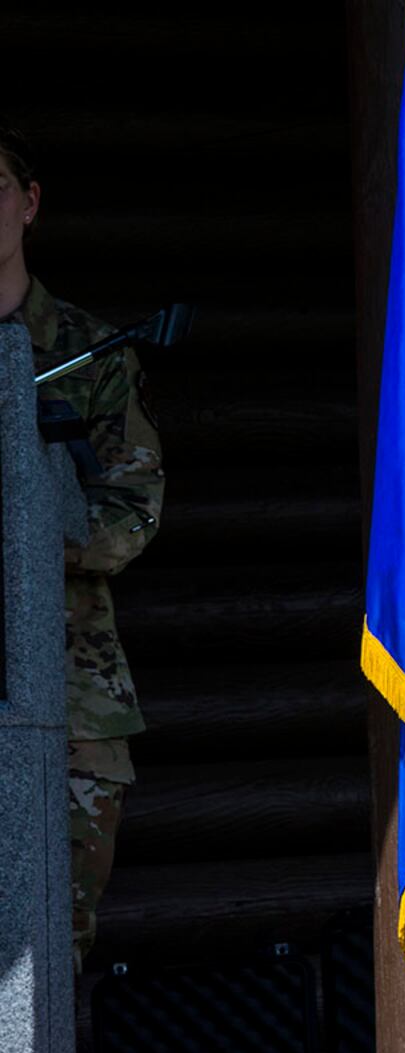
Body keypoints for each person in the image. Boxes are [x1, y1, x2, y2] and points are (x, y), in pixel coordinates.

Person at [0, 124, 164, 972]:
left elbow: (130, 512)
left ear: (28, 204)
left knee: (54, 960)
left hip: (71, 700)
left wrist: (29, 532)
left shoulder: (89, 353)